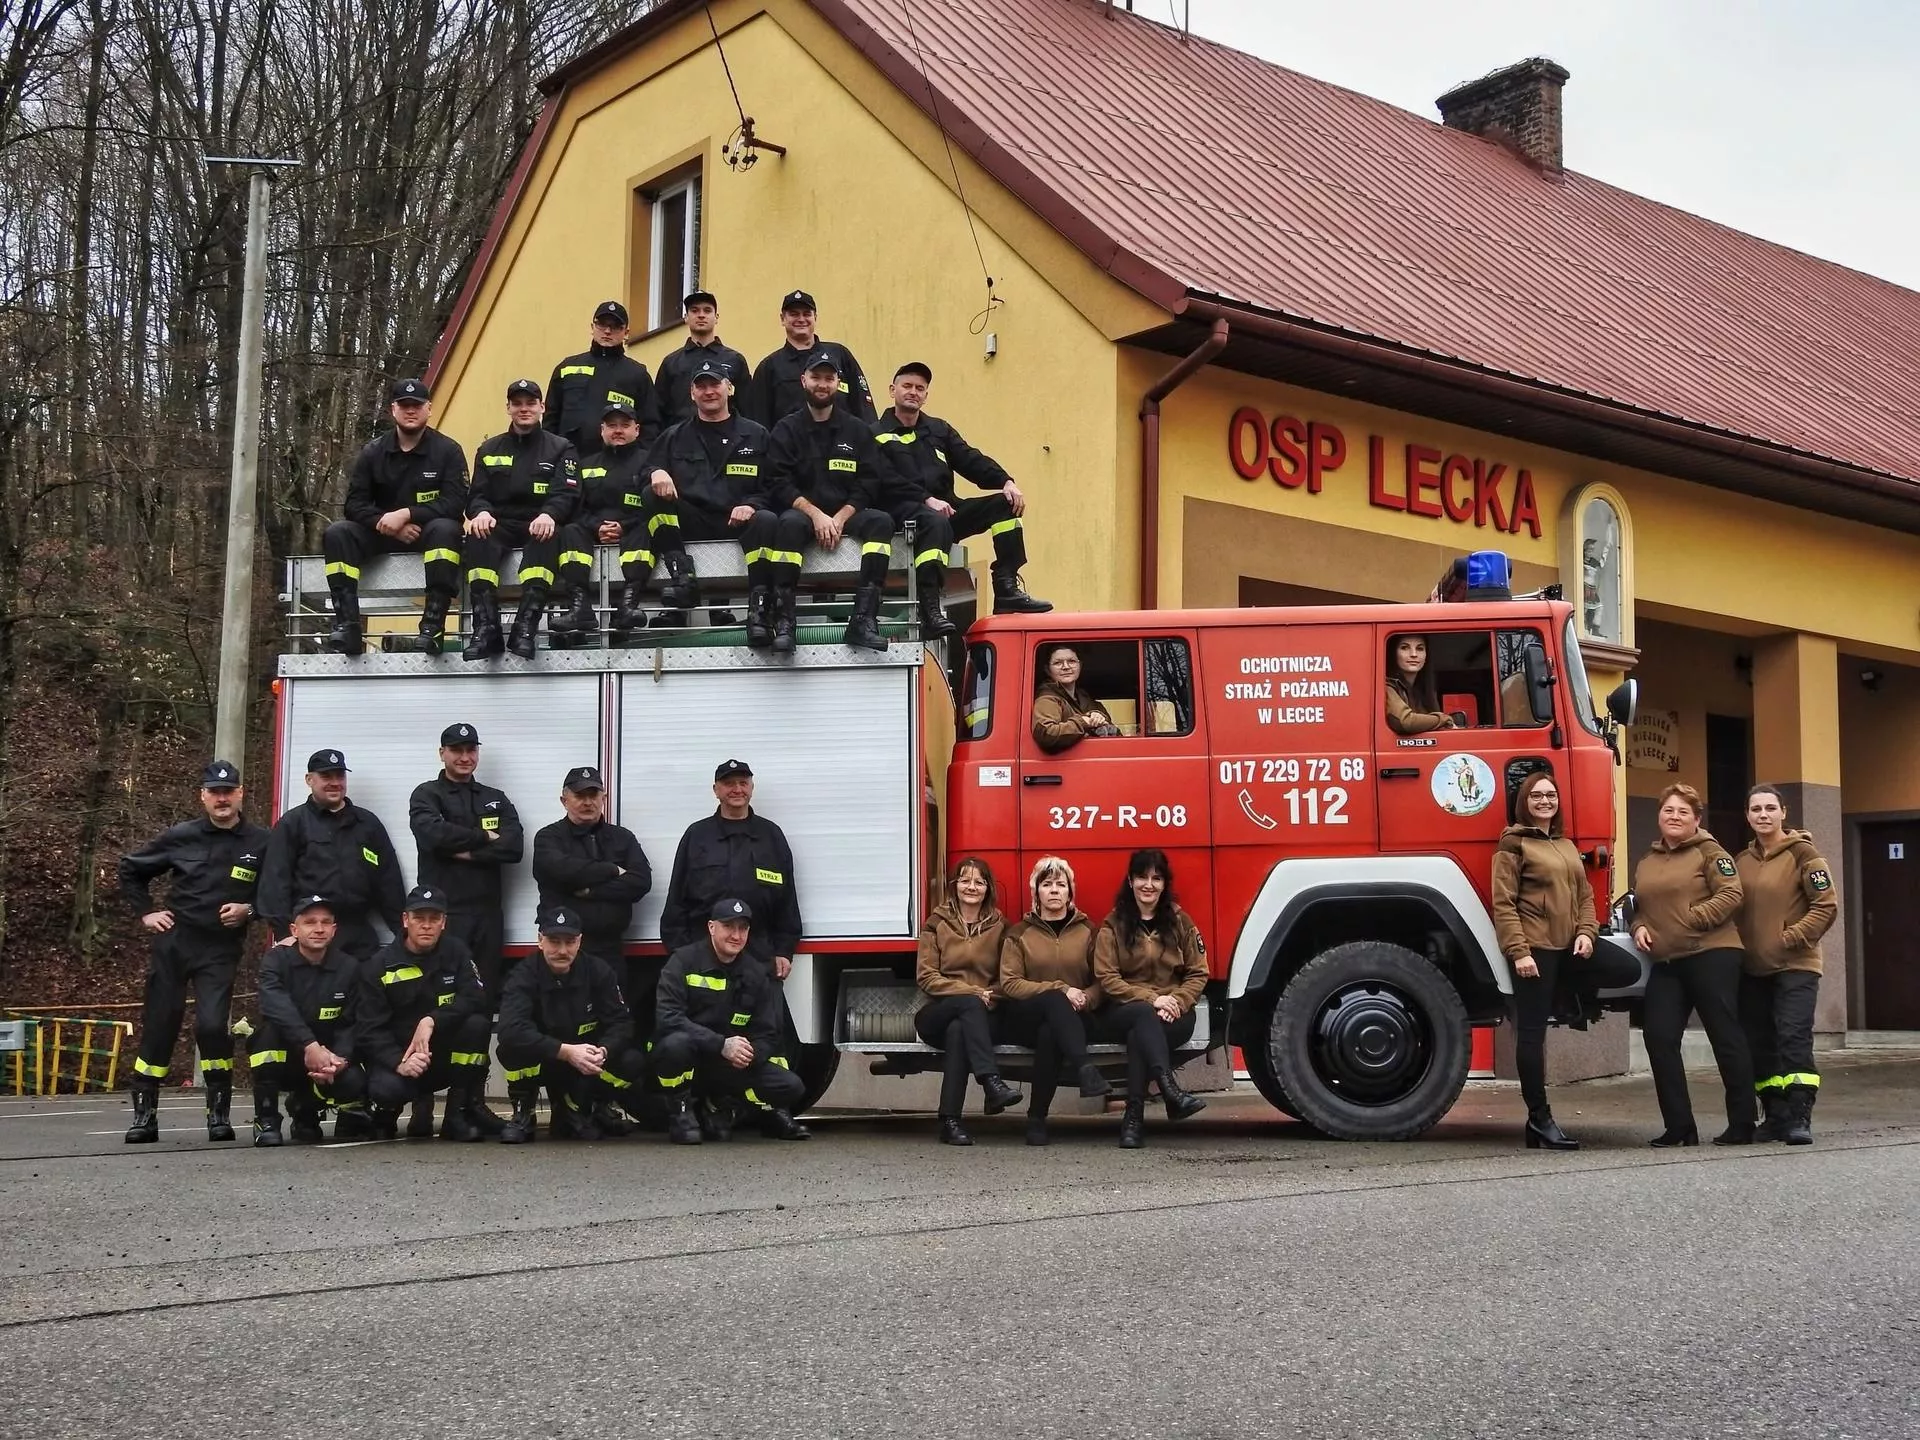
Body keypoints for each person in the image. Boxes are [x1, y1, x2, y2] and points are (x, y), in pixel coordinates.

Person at [115, 759, 270, 1144]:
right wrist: (147, 912)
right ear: (203, 796)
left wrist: (250, 911)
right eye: (214, 792)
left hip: (219, 947)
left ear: (240, 794)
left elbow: (279, 890)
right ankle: (144, 1118)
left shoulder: (261, 842)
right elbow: (131, 869)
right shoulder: (180, 836)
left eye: (228, 791)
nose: (221, 799)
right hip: (175, 942)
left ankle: (218, 1115)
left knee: (212, 1025)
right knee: (160, 1024)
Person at [1490, 769, 1636, 1150]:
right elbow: (1503, 904)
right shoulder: (1513, 845)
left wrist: (1587, 933)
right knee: (1532, 1035)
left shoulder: (1566, 844)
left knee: (1627, 967)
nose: (1545, 801)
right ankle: (1539, 1119)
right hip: (1535, 951)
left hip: (1570, 946)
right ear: (1525, 802)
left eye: (1550, 795)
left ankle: (1562, 991)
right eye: (1537, 796)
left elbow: (1585, 896)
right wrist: (1519, 953)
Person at [871, 361, 1051, 629]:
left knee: (1005, 505)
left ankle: (1006, 588)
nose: (913, 392)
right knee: (934, 521)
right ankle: (930, 608)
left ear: (926, 395)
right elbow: (883, 479)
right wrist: (925, 499)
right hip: (904, 515)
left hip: (947, 511)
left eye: (920, 388)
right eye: (907, 386)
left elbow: (969, 459)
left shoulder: (938, 429)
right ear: (892, 390)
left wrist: (1006, 481)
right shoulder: (875, 433)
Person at [408, 721, 523, 1135]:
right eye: (456, 749)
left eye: (471, 749)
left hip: (487, 919)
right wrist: (482, 841)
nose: (464, 756)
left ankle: (466, 1104)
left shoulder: (494, 798)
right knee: (436, 1007)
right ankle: (421, 1102)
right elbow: (431, 834)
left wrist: (464, 848)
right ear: (442, 753)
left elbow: (513, 847)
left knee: (480, 1007)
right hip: (443, 919)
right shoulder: (427, 794)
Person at [744, 350, 897, 652]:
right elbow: (778, 482)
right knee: (786, 524)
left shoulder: (857, 430)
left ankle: (863, 621)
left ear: (838, 383)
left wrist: (839, 518)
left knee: (881, 522)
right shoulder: (787, 429)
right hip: (802, 511)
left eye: (829, 378)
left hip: (846, 513)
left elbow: (869, 482)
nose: (822, 384)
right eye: (816, 377)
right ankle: (785, 622)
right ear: (804, 380)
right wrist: (815, 515)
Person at [1631, 782, 1755, 1146]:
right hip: (1668, 962)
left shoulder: (1711, 853)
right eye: (1668, 810)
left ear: (1696, 819)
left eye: (1683, 812)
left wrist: (1695, 918)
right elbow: (1640, 906)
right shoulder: (1648, 860)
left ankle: (1743, 1123)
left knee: (1725, 1037)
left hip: (1712, 954)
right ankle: (1680, 1127)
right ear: (1659, 816)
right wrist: (1639, 926)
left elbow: (1732, 893)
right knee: (1659, 1036)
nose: (1674, 817)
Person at [320, 377, 470, 655]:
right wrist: (384, 522)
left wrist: (408, 514)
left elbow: (455, 502)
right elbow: (354, 504)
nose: (410, 410)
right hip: (383, 533)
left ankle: (432, 627)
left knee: (447, 529)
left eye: (416, 405)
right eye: (404, 405)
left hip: (430, 534)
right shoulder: (373, 452)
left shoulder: (448, 451)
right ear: (393, 410)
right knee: (338, 533)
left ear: (429, 409)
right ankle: (347, 625)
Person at [630, 359, 771, 634]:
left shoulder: (756, 434)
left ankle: (760, 611)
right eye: (701, 385)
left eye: (715, 384)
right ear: (692, 393)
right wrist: (656, 472)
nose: (709, 391)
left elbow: (774, 484)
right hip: (692, 522)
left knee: (766, 520)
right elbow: (645, 469)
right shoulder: (674, 436)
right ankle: (683, 577)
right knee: (651, 494)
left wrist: (752, 505)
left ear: (729, 388)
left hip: (738, 520)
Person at [653, 897, 810, 1143]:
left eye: (743, 928)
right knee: (675, 1045)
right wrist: (721, 1045)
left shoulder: (755, 972)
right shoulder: (683, 961)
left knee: (791, 1086)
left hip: (728, 1065)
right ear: (711, 927)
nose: (736, 935)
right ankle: (681, 1113)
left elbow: (768, 1033)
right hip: (692, 1055)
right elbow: (668, 1017)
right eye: (729, 927)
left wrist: (750, 1054)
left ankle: (720, 1106)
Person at [1735, 783, 1838, 1146]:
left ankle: (1799, 1116)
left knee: (1793, 1038)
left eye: (1769, 808)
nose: (1763, 815)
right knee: (1761, 1043)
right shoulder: (1740, 862)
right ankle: (1775, 1115)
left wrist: (1791, 938)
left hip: (1797, 965)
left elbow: (1826, 905)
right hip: (1753, 969)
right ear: (1747, 816)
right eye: (1756, 809)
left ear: (1783, 813)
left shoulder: (1805, 855)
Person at [494, 904, 647, 1144]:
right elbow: (509, 1030)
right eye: (554, 941)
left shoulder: (599, 971)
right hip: (547, 1058)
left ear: (580, 941)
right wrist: (564, 1051)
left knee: (632, 1059)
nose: (562, 950)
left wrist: (604, 1050)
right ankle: (523, 1113)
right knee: (510, 1049)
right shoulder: (523, 975)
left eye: (570, 941)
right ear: (540, 940)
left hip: (586, 1063)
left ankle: (592, 1108)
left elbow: (622, 1023)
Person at [461, 378, 587, 661]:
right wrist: (480, 512)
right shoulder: (489, 449)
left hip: (539, 521)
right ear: (508, 408)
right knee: (477, 537)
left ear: (541, 406)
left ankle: (525, 629)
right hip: (500, 523)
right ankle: (486, 629)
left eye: (530, 403)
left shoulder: (560, 448)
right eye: (517, 404)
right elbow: (476, 494)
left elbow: (568, 492)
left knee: (545, 537)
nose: (524, 409)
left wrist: (549, 514)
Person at [358, 885, 493, 1141]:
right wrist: (399, 1061)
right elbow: (369, 1029)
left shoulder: (457, 952)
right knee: (386, 1089)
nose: (427, 925)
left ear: (444, 922)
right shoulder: (380, 965)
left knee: (477, 1025)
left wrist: (432, 1020)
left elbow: (475, 998)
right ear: (405, 920)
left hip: (440, 1057)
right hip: (400, 1057)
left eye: (434, 919)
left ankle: (456, 1115)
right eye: (419, 918)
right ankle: (387, 1112)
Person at [1093, 848, 1209, 1149]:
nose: (1149, 885)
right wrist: (1151, 999)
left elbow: (1198, 973)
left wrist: (1178, 1001)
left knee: (1140, 1035)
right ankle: (1169, 1091)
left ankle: (1134, 1118)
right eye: (1142, 877)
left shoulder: (1180, 921)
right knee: (1143, 1017)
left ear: (1164, 884)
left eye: (1156, 878)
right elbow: (1107, 979)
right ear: (1130, 881)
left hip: (1175, 1012)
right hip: (1123, 1009)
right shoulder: (1113, 924)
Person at [997, 855, 1109, 1146]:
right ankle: (1085, 1069)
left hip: (1077, 1018)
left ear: (1070, 891)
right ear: (1036, 892)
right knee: (1053, 1005)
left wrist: (1086, 998)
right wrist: (1060, 989)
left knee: (1052, 1031)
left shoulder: (1089, 931)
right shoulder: (1018, 933)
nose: (1055, 890)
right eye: (1047, 884)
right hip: (1025, 1020)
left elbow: (1103, 980)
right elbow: (1010, 983)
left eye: (1061, 884)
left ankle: (1036, 1119)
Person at [257, 748, 405, 960]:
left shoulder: (367, 824)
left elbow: (389, 883)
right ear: (309, 779)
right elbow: (274, 882)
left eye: (340, 776)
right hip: (311, 936)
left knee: (364, 991)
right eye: (326, 776)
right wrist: (284, 934)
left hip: (358, 935)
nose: (335, 782)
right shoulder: (293, 823)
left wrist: (403, 933)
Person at [661, 759, 801, 981]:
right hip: (704, 956)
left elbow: (787, 901)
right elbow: (677, 902)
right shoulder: (697, 836)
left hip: (760, 955)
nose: (737, 789)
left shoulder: (771, 836)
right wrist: (681, 954)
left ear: (751, 788)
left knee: (765, 1016)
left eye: (743, 783)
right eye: (729, 784)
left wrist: (784, 950)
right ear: (716, 790)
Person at [531, 766, 653, 1021]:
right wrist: (611, 869)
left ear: (603, 798)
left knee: (615, 1019)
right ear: (564, 800)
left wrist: (587, 890)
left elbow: (641, 882)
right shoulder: (548, 838)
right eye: (580, 795)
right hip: (563, 952)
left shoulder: (622, 838)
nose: (588, 802)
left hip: (610, 948)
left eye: (593, 795)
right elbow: (560, 871)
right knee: (563, 1020)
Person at [915, 858, 1022, 1146]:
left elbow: (1010, 978)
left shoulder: (1001, 926)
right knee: (966, 1007)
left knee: (959, 1032)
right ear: (954, 885)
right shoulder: (936, 922)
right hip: (937, 1011)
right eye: (965, 880)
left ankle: (950, 1121)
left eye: (979, 881)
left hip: (984, 1015)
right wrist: (971, 992)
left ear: (988, 888)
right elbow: (926, 977)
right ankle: (990, 1082)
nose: (971, 887)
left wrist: (992, 994)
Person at [248, 895, 368, 1146]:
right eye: (310, 922)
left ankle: (306, 1109)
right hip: (288, 1054)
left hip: (326, 1059)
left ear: (334, 930)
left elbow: (351, 1021)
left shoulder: (349, 967)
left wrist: (340, 1060)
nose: (319, 929)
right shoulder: (276, 960)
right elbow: (276, 1007)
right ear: (294, 929)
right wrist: (309, 1045)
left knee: (353, 1081)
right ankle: (267, 1118)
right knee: (267, 1038)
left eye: (326, 922)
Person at [544, 299, 662, 455]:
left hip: (618, 465)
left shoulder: (637, 374)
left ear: (626, 332)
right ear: (592, 327)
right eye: (602, 324)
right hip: (571, 461)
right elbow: (550, 420)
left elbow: (650, 426)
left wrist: (638, 462)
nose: (607, 331)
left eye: (615, 326)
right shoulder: (567, 368)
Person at [745, 289, 875, 427]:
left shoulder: (840, 355)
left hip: (842, 444)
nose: (801, 319)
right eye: (794, 314)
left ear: (815, 318)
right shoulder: (769, 367)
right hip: (791, 446)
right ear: (782, 319)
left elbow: (863, 407)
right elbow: (759, 422)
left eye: (807, 314)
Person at [653, 290, 752, 429]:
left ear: (716, 317)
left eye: (707, 310)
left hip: (726, 441)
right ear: (686, 317)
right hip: (681, 443)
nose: (701, 315)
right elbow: (657, 411)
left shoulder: (735, 360)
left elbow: (748, 408)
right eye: (695, 311)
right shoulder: (671, 363)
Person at [1031, 645, 1118, 753]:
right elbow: (1046, 734)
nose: (1066, 667)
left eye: (1071, 661)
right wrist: (1084, 722)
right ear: (1048, 670)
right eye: (1058, 663)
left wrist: (1100, 720)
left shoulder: (1088, 700)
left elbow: (1116, 736)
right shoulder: (1047, 699)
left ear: (1080, 665)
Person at [1385, 634, 1456, 735]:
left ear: (1426, 655)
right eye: (1404, 648)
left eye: (1420, 648)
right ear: (1393, 653)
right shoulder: (1386, 686)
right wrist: (1443, 719)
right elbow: (1405, 721)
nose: (1414, 654)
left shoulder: (1424, 690)